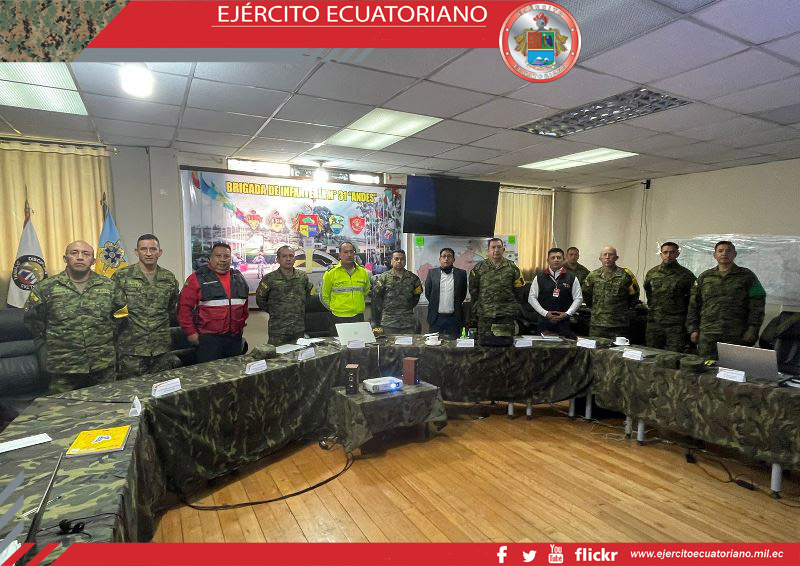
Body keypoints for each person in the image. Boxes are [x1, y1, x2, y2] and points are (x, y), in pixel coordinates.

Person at [23, 240, 125, 393]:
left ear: (93, 261)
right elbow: (33, 321)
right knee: (63, 407)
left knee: (106, 405)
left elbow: (121, 315)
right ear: (65, 259)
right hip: (64, 366)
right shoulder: (45, 288)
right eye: (74, 253)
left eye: (86, 254)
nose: (80, 257)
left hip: (102, 364)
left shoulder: (109, 286)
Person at [113, 234, 181, 377]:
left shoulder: (168, 278)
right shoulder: (122, 276)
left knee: (161, 386)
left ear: (159, 252)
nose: (148, 253)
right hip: (132, 348)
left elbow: (171, 307)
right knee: (133, 388)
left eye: (153, 249)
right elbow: (115, 310)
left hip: (161, 347)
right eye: (143, 249)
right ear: (136, 252)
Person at [687, 240, 766, 359]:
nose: (724, 253)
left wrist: (753, 329)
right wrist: (693, 328)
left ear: (735, 254)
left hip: (736, 333)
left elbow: (757, 304)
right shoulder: (704, 277)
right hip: (708, 332)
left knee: (734, 366)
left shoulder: (747, 276)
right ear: (715, 255)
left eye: (728, 251)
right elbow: (694, 304)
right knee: (706, 365)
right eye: (720, 251)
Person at [178, 242, 249, 363]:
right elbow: (183, 309)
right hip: (208, 339)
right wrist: (191, 332)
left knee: (234, 372)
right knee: (210, 373)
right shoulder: (197, 278)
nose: (222, 259)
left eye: (226, 256)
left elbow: (244, 306)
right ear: (210, 258)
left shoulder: (238, 278)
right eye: (218, 256)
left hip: (234, 338)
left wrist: (241, 326)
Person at [643, 241, 696, 352]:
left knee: (673, 356)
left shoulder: (686, 275)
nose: (668, 255)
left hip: (676, 324)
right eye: (665, 252)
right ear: (661, 254)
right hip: (654, 323)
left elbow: (693, 300)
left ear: (677, 254)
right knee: (651, 354)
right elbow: (649, 293)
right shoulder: (652, 273)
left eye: (672, 252)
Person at [255, 245, 313, 346]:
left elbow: (307, 295)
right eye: (284, 256)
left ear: (294, 259)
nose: (288, 259)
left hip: (298, 328)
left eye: (291, 256)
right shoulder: (269, 278)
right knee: (278, 355)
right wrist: (276, 311)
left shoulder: (302, 277)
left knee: (299, 354)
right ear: (278, 259)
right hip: (278, 329)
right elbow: (260, 300)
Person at [468, 238, 525, 338]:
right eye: (493, 247)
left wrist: (513, 306)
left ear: (503, 250)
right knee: (485, 343)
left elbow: (519, 290)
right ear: (488, 250)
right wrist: (481, 303)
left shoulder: (512, 267)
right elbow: (473, 289)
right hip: (485, 314)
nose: (496, 250)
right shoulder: (479, 268)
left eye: (499, 247)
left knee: (505, 343)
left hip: (506, 314)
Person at [582, 246, 640, 340]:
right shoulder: (592, 276)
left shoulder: (626, 275)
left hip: (619, 324)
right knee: (596, 348)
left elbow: (634, 295)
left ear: (616, 258)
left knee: (619, 348)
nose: (607, 257)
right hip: (598, 324)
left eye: (611, 254)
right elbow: (586, 295)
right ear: (600, 258)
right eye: (604, 254)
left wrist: (622, 310)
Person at [528, 247, 582, 339]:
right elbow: (531, 298)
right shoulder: (539, 277)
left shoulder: (572, 278)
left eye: (558, 257)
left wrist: (567, 314)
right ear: (548, 260)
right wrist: (545, 313)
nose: (556, 260)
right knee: (542, 346)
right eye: (553, 258)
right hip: (544, 321)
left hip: (564, 321)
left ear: (563, 260)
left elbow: (578, 298)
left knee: (564, 346)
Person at [372, 250, 423, 334]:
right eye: (396, 259)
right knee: (389, 343)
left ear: (405, 261)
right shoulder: (383, 278)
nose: (399, 261)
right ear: (391, 261)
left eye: (402, 259)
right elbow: (377, 297)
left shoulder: (413, 278)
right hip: (389, 322)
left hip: (408, 322)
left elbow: (416, 297)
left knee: (408, 343)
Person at [320, 241, 371, 325]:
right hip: (338, 317)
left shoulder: (363, 272)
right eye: (346, 252)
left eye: (351, 252)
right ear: (340, 254)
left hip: (358, 316)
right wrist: (335, 307)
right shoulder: (330, 273)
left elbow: (365, 291)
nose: (349, 255)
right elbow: (324, 296)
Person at [424, 247, 468, 338]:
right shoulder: (432, 273)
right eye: (443, 256)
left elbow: (462, 294)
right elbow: (428, 293)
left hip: (454, 318)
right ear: (440, 259)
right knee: (433, 344)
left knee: (453, 344)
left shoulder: (461, 274)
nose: (446, 258)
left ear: (454, 259)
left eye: (449, 256)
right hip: (436, 318)